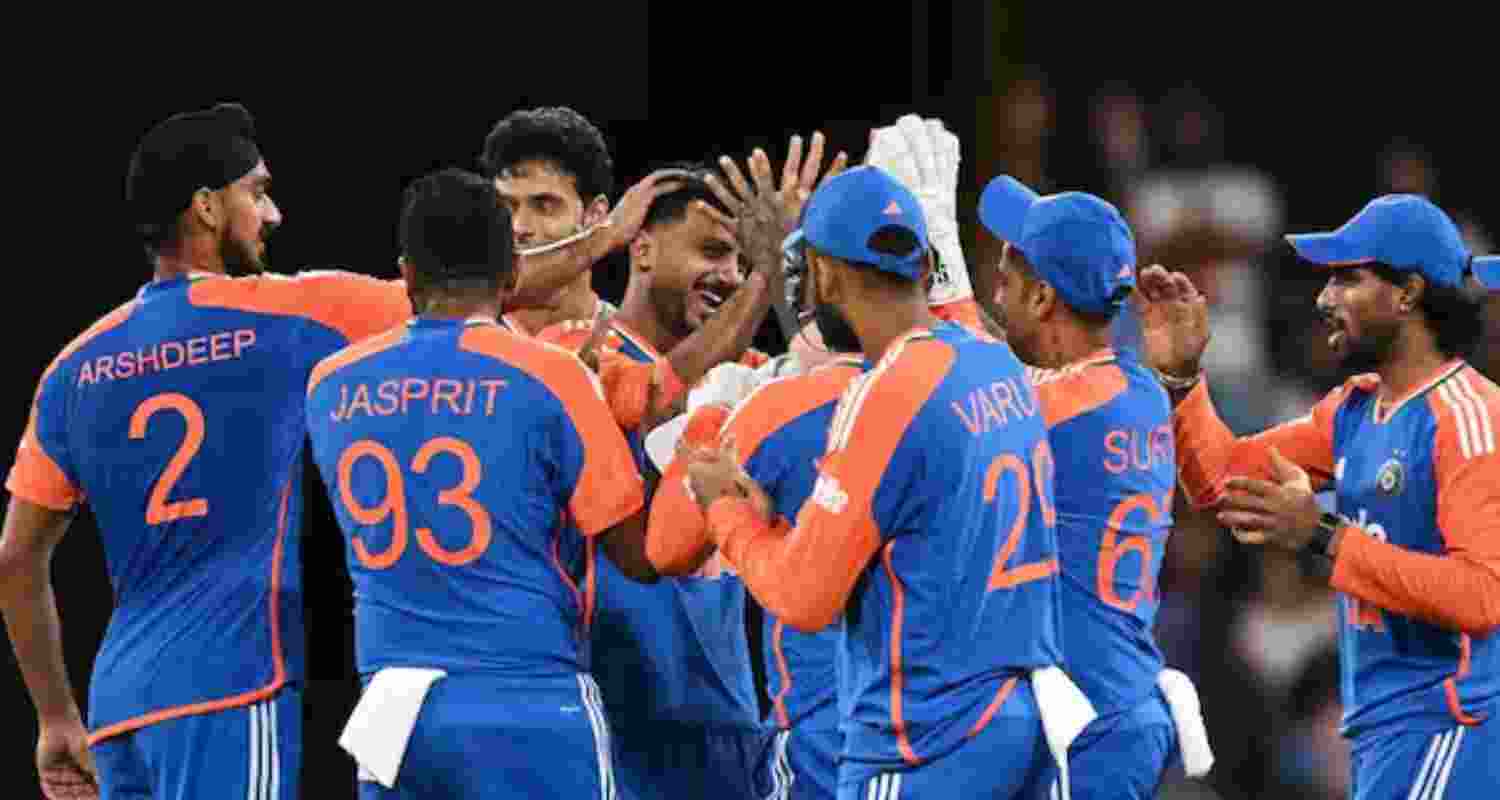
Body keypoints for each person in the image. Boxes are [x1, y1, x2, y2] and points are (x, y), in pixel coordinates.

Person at [0, 103, 412, 800]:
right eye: (257, 191)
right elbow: (469, 292)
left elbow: (15, 556)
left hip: (118, 710)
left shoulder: (73, 366)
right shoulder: (290, 315)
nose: (273, 214)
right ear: (208, 207)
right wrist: (602, 240)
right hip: (229, 688)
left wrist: (53, 716)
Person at [683, 165, 1066, 799]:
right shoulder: (992, 360)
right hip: (1016, 724)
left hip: (924, 744)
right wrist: (776, 523)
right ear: (922, 266)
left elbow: (805, 599)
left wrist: (726, 509)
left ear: (825, 275)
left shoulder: (887, 391)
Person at [1137, 193, 1500, 800]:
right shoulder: (1354, 410)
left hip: (1453, 726)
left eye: (1347, 279)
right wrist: (1180, 380)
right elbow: (1226, 484)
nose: (1323, 298)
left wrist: (1323, 536)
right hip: (1384, 731)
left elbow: (1484, 595)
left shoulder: (1469, 419)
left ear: (1407, 293)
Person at [305, 168, 653, 798]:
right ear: (513, 275)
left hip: (393, 716)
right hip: (529, 700)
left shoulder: (329, 383)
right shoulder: (553, 378)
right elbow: (639, 553)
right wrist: (642, 438)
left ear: (407, 272)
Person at [535, 151, 804, 800]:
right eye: (713, 252)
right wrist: (766, 280)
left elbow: (824, 380)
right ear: (644, 249)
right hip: (616, 725)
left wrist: (799, 272)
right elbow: (660, 392)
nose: (729, 276)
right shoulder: (576, 359)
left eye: (741, 261)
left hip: (730, 723)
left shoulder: (749, 372)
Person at [979, 174, 1192, 799]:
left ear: (1043, 296)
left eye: (1006, 278)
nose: (995, 292)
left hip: (1089, 722)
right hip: (1111, 704)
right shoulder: (1140, 389)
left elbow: (961, 373)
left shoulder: (1054, 402)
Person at [479, 106, 620, 336]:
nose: (518, 227)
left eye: (544, 206)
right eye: (505, 208)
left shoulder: (642, 358)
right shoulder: (453, 346)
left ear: (594, 216)